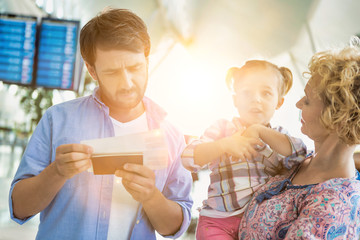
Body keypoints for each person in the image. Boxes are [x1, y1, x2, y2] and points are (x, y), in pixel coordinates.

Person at [9, 8, 193, 240]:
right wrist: (57, 172)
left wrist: (151, 196)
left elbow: (174, 228)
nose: (127, 83)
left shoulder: (171, 135)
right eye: (113, 72)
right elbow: (19, 208)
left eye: (135, 68)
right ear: (92, 70)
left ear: (147, 59)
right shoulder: (58, 119)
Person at [238, 38, 360, 239]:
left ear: (338, 117)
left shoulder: (333, 206)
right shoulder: (301, 160)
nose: (298, 104)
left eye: (308, 100)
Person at [181, 60, 307, 240]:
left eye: (266, 93)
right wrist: (223, 144)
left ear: (278, 102)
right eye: (247, 92)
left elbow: (300, 153)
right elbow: (187, 158)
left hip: (261, 223)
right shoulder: (222, 129)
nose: (256, 99)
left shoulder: (278, 135)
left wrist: (262, 132)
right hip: (217, 222)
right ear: (235, 99)